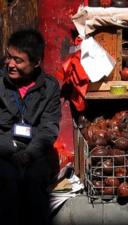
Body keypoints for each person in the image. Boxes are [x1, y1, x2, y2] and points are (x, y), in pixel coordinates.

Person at [0, 29, 61, 224]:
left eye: (18, 60)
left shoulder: (49, 87)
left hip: (36, 153)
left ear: (35, 63)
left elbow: (48, 129)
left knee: (34, 180)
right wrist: (12, 150)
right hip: (3, 151)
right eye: (9, 57)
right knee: (8, 179)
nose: (10, 64)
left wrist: (29, 154)